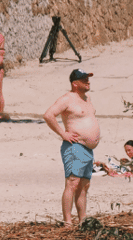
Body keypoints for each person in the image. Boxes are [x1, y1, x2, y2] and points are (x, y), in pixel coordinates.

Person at [43, 69, 102, 226]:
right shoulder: (67, 99)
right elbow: (48, 115)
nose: (88, 82)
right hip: (74, 146)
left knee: (84, 185)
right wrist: (63, 134)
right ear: (75, 84)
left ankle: (82, 220)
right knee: (72, 183)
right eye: (84, 80)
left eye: (88, 79)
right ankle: (68, 221)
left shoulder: (87, 97)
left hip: (87, 149)